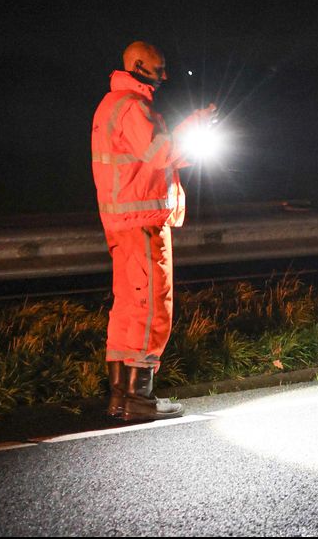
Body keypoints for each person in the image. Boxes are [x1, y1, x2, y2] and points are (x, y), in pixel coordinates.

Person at [90, 41, 215, 421]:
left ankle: (120, 397)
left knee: (128, 307)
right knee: (150, 308)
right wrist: (195, 128)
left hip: (122, 221)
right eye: (160, 70)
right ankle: (140, 399)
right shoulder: (132, 107)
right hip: (141, 221)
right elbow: (160, 153)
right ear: (139, 66)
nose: (166, 76)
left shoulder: (112, 105)